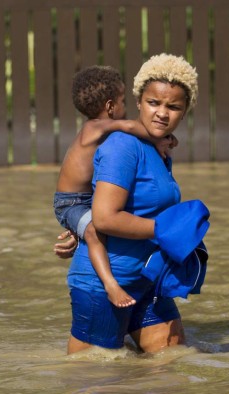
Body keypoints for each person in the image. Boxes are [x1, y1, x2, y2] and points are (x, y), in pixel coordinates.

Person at [65, 53, 203, 354]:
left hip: (150, 282)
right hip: (104, 286)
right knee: (97, 380)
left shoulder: (160, 148)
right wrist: (166, 229)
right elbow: (104, 218)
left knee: (173, 368)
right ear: (139, 102)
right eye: (154, 103)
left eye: (174, 106)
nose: (162, 113)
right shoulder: (122, 146)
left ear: (185, 111)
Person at [54, 65, 176, 308]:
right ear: (110, 107)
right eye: (122, 101)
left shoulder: (97, 131)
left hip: (85, 199)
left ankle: (81, 239)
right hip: (70, 202)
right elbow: (130, 126)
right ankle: (110, 285)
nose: (125, 107)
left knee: (91, 228)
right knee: (93, 231)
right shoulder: (95, 127)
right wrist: (161, 137)